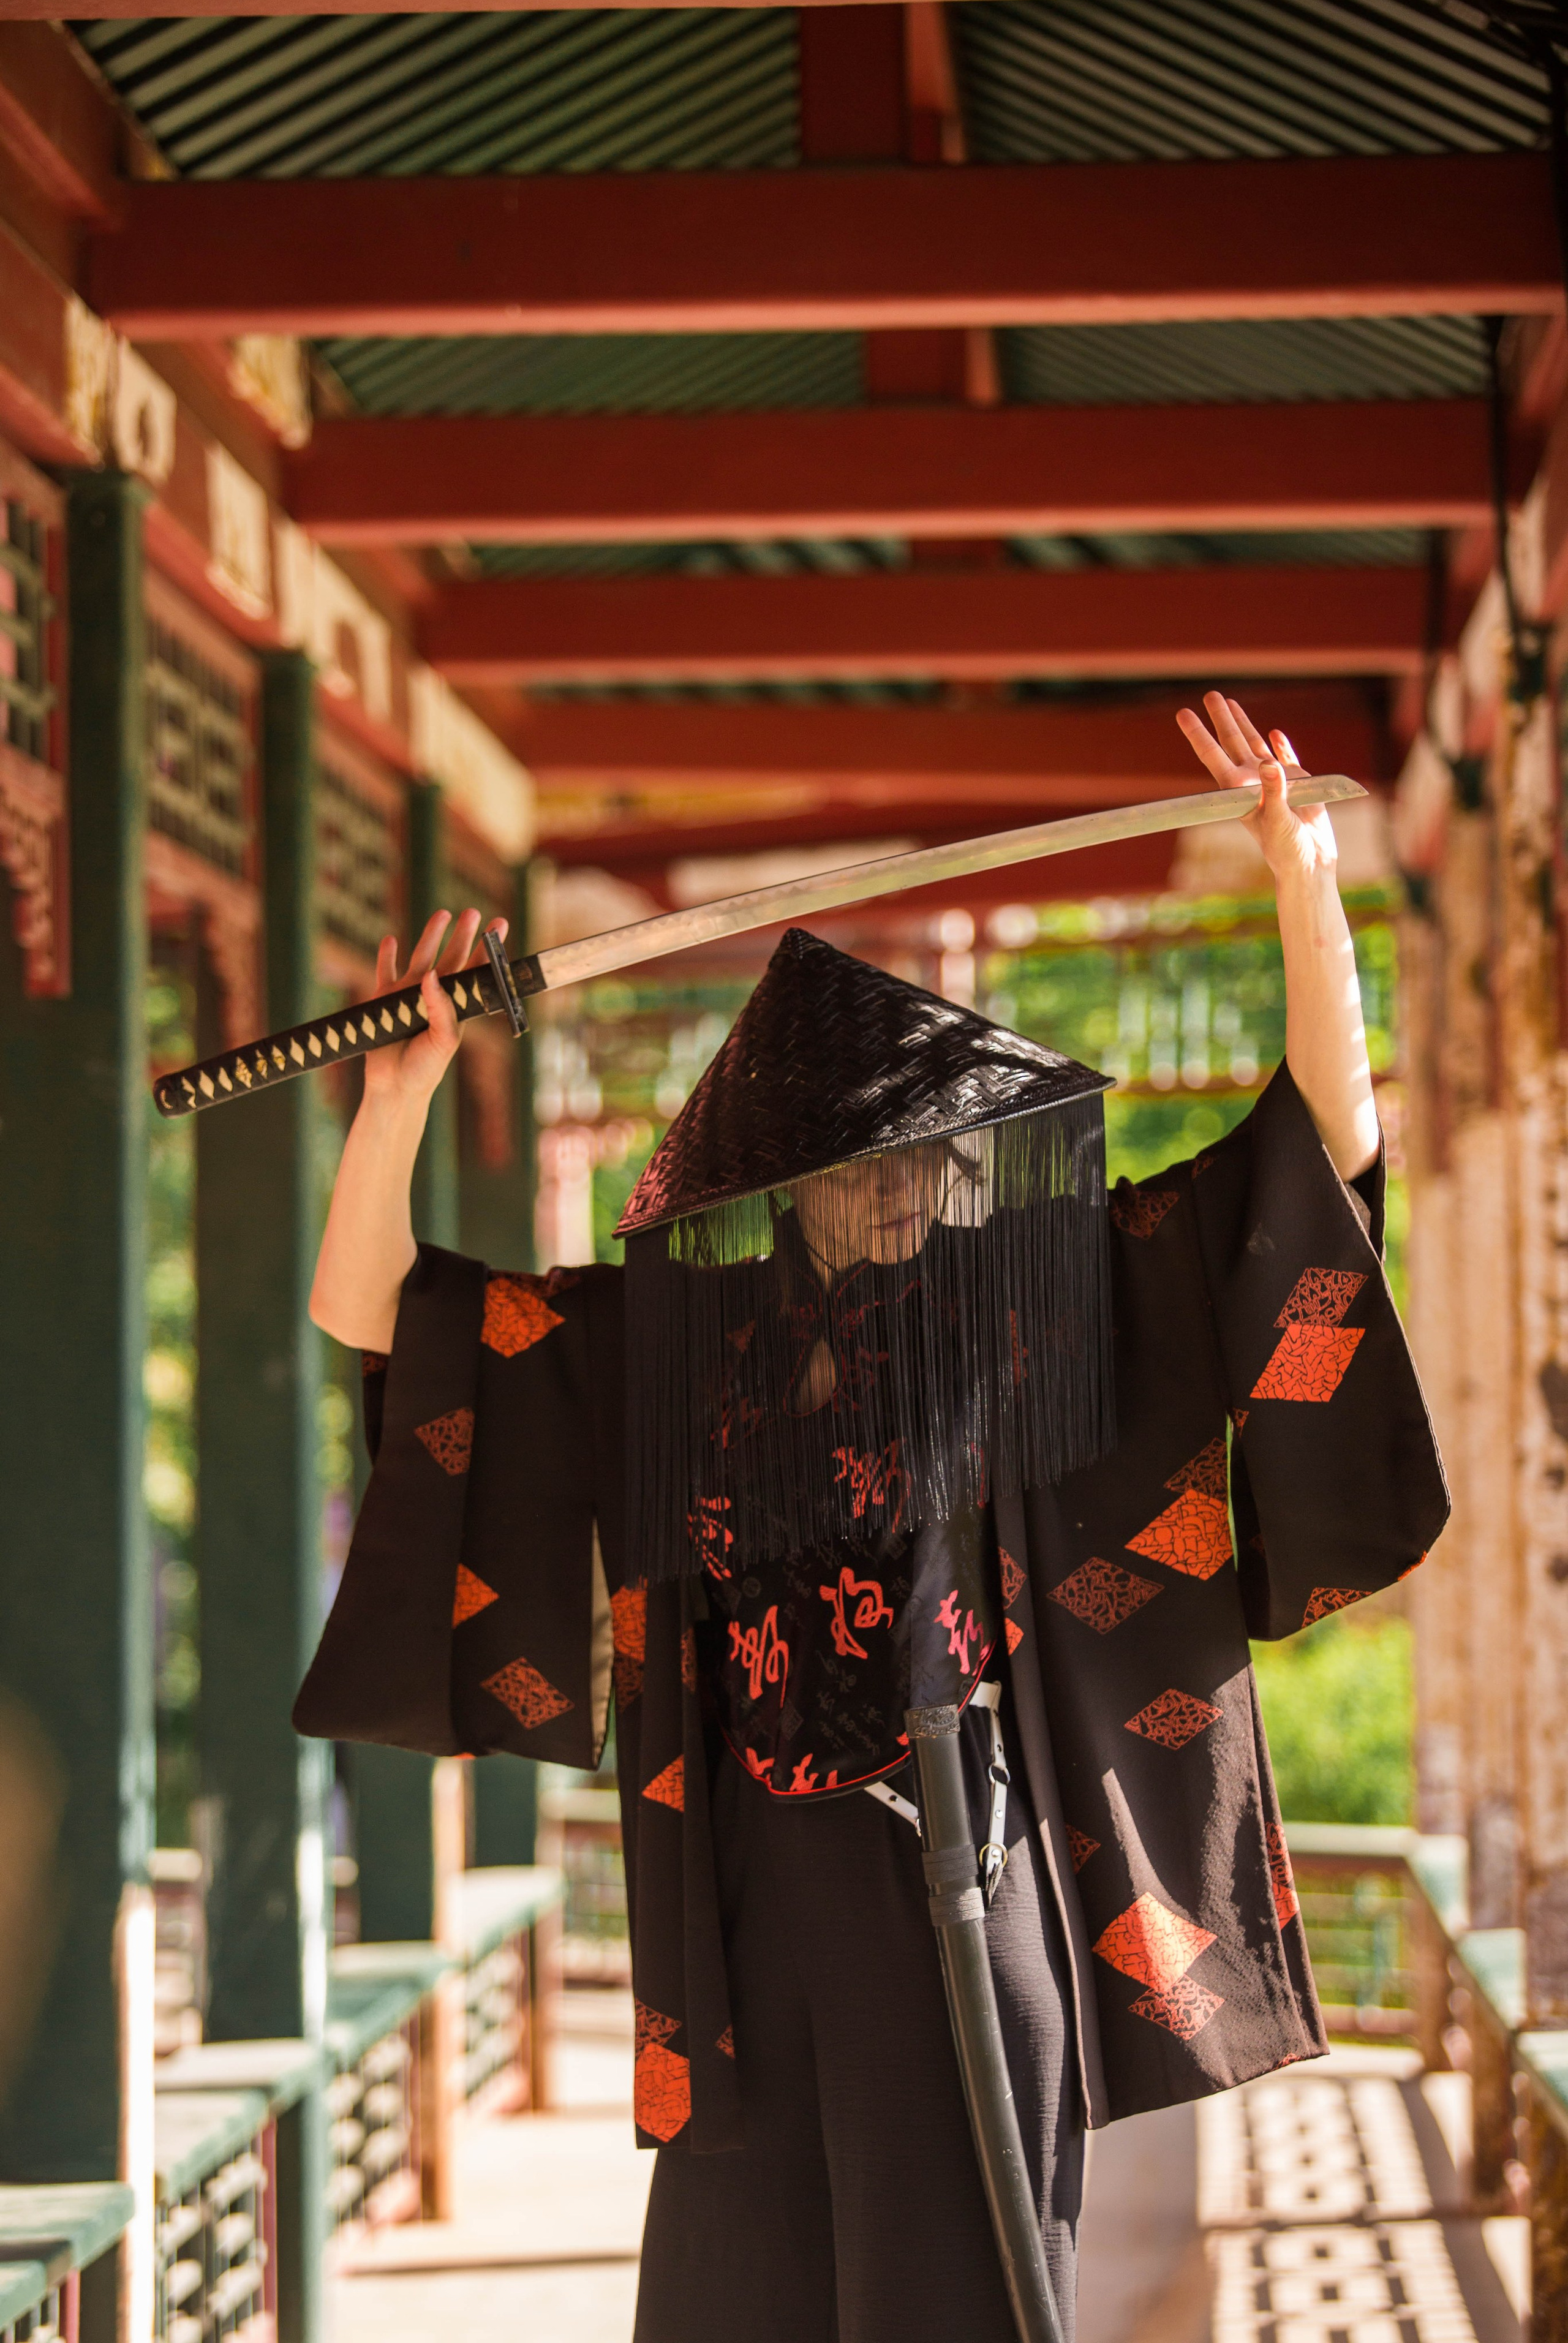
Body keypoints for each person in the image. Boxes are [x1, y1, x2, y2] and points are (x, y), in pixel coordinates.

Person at [298, 695, 1447, 2343]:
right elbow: (381, 1323)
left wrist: (1304, 890)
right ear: (776, 1182)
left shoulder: (1031, 1315)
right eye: (868, 1157)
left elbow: (1316, 1165)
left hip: (967, 1889)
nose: (910, 1181)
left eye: (937, 1148)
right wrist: (402, 1090)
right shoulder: (677, 1349)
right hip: (742, 1916)